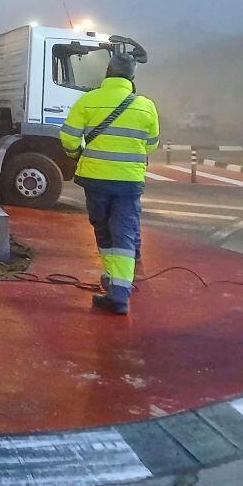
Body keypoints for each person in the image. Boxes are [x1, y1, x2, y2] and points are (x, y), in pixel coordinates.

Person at [59, 53, 160, 315]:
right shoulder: (146, 106)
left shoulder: (89, 101)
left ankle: (112, 280)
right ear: (133, 77)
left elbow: (69, 138)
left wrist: (75, 154)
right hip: (128, 182)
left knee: (103, 230)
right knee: (124, 233)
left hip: (96, 179)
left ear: (107, 72)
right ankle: (120, 291)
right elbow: (153, 145)